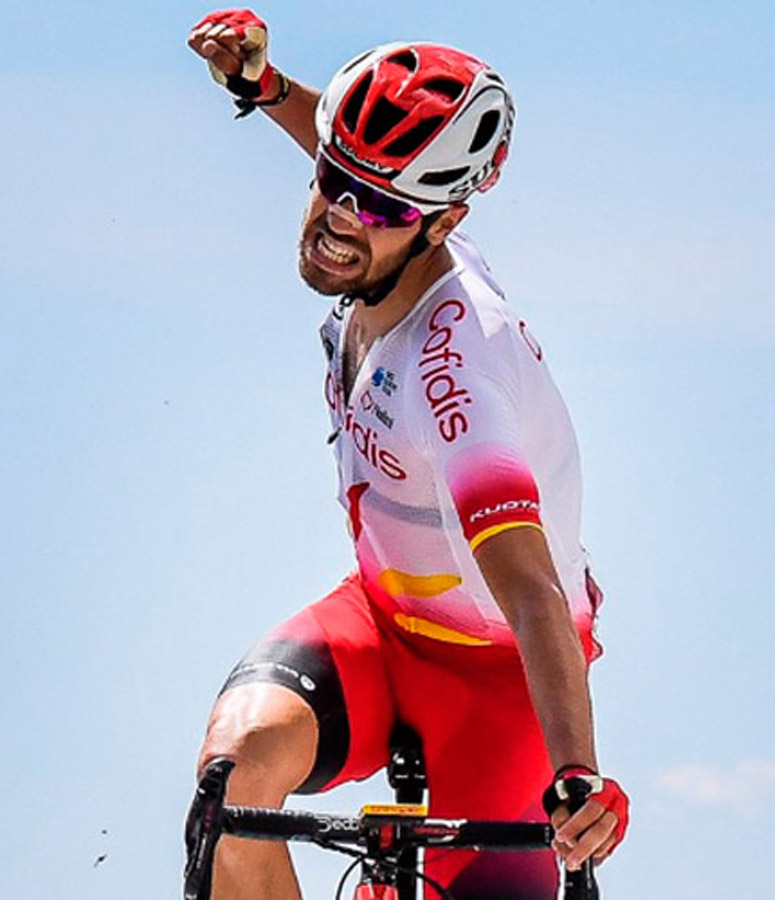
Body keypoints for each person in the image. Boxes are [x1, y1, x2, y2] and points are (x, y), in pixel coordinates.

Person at [185, 10, 630, 900]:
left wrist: (578, 775)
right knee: (233, 780)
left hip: (496, 685)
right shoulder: (396, 227)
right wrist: (266, 90)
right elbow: (363, 167)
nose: (341, 221)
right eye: (330, 179)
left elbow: (536, 595)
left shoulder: (458, 378)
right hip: (379, 629)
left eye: (380, 209)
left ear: (443, 223)